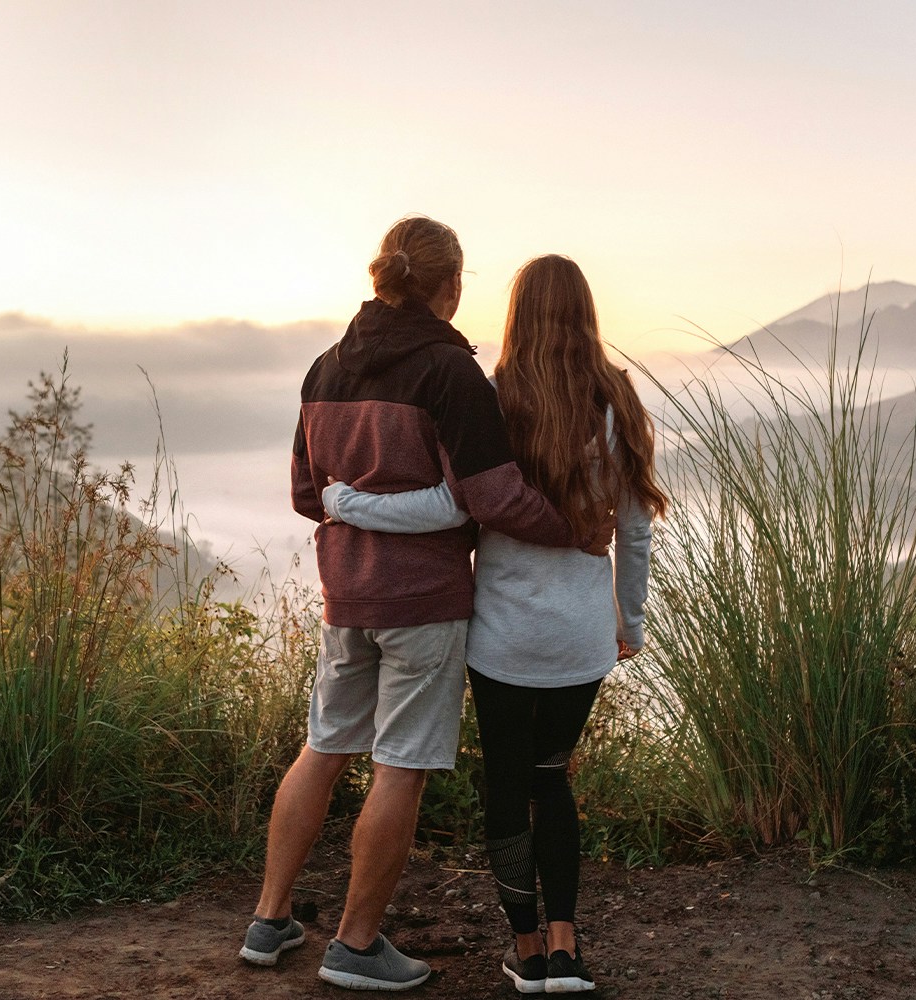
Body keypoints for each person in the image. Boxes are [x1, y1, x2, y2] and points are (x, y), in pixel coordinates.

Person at [244, 218, 602, 992]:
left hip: (347, 595)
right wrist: (572, 526)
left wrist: (356, 505)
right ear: (451, 286)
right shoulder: (450, 373)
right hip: (424, 602)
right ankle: (356, 944)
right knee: (400, 766)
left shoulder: (323, 370)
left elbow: (311, 495)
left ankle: (269, 920)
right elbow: (491, 494)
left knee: (324, 745)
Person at [322, 254, 666, 994]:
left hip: (501, 631)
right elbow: (634, 532)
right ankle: (569, 948)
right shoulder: (621, 400)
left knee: (507, 783)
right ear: (586, 312)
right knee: (553, 779)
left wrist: (353, 507)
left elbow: (469, 510)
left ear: (516, 313)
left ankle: (527, 949)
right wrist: (627, 618)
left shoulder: (494, 397)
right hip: (579, 632)